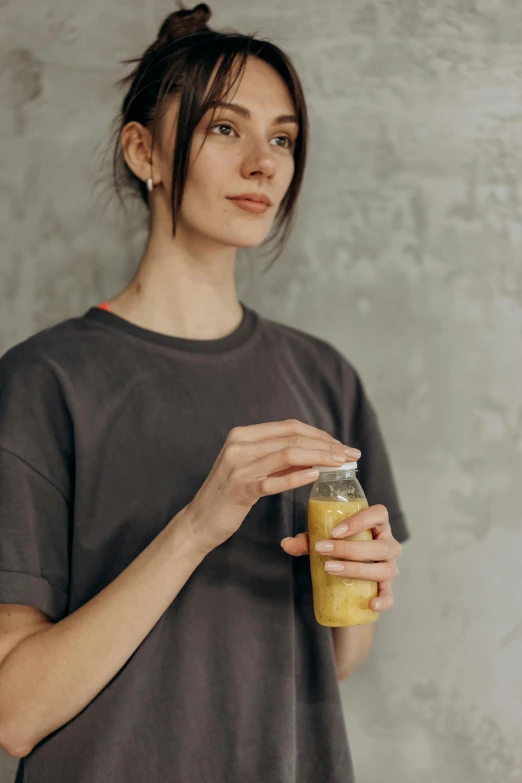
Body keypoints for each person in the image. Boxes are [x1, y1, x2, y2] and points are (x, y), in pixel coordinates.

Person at [0, 3, 409, 781]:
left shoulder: (324, 379)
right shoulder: (42, 384)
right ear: (143, 150)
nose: (264, 163)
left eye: (283, 138)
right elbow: (13, 713)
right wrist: (196, 525)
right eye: (226, 128)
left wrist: (363, 581)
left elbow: (331, 662)